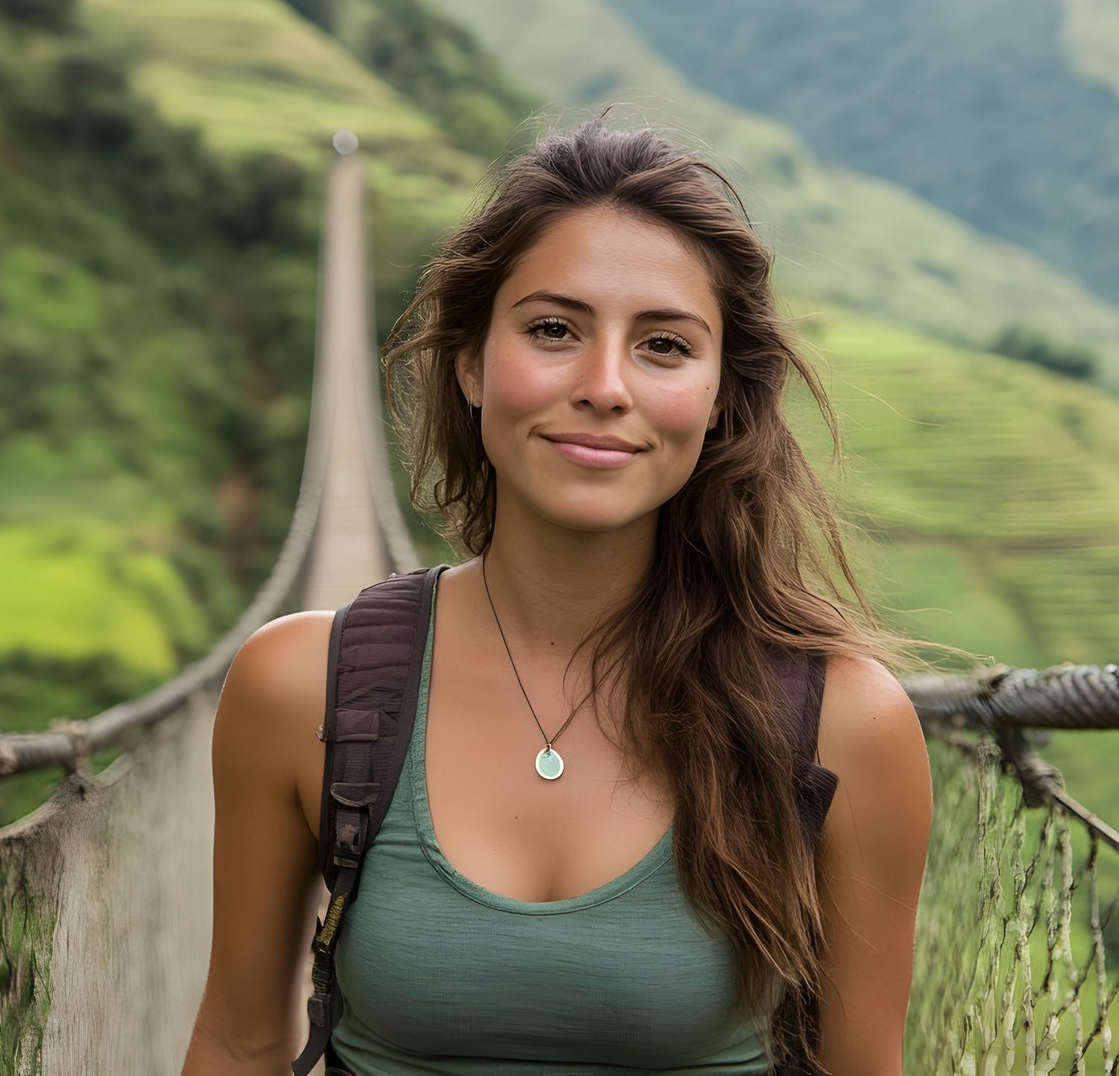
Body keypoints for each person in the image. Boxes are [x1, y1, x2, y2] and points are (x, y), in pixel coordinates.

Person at [184, 119, 932, 1075]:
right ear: (470, 364)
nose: (605, 386)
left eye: (664, 346)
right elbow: (240, 1041)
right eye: (552, 330)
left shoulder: (842, 727)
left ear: (719, 399)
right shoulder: (302, 691)